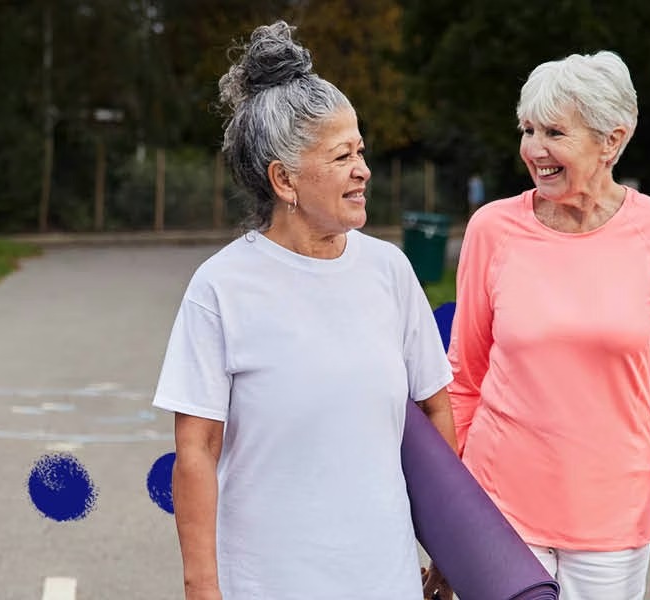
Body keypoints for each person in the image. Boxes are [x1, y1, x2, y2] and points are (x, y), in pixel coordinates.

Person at [150, 21, 458, 600]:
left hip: (384, 579)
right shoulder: (221, 287)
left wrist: (451, 548)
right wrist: (202, 586)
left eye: (360, 151)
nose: (363, 170)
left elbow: (438, 410)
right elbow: (195, 450)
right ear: (284, 179)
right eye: (342, 156)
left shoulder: (389, 271)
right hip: (264, 582)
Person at [429, 50, 650, 600]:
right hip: (498, 510)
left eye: (554, 132)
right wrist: (450, 526)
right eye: (528, 129)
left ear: (611, 140)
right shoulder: (491, 230)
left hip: (613, 525)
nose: (535, 149)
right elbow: (461, 381)